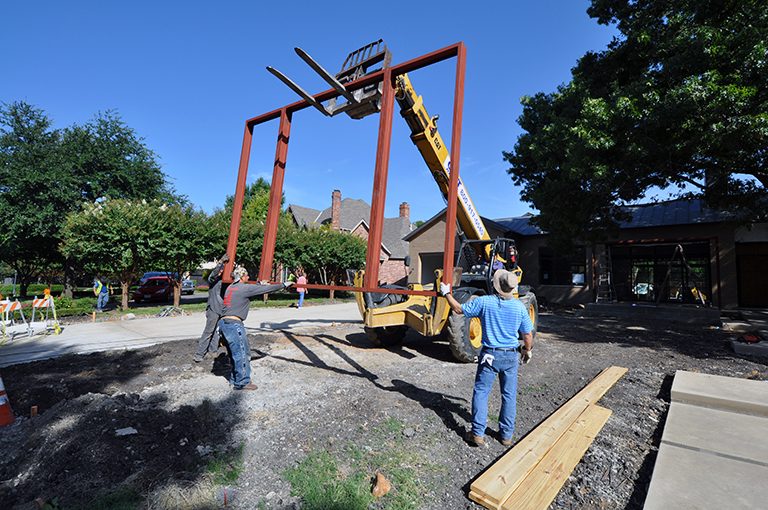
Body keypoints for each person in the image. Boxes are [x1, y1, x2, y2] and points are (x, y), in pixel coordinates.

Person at [440, 269, 533, 447]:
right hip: (511, 355)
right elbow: (527, 335)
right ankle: (506, 436)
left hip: (490, 354)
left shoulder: (485, 302)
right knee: (509, 395)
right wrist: (527, 350)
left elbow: (458, 309)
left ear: (496, 285)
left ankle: (477, 434)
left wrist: (446, 293)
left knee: (482, 393)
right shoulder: (520, 307)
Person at [219, 266, 291, 390]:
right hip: (234, 324)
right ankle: (242, 382)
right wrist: (283, 284)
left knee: (233, 353)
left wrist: (258, 285)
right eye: (246, 276)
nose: (248, 278)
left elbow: (249, 291)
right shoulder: (244, 288)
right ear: (242, 277)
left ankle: (234, 379)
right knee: (242, 353)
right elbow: (267, 289)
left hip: (224, 323)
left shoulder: (231, 288)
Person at [193, 253, 230, 363]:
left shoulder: (226, 283)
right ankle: (199, 354)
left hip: (221, 310)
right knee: (208, 332)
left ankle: (213, 351)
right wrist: (220, 263)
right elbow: (212, 275)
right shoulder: (214, 280)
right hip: (213, 309)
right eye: (221, 270)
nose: (221, 272)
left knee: (216, 332)